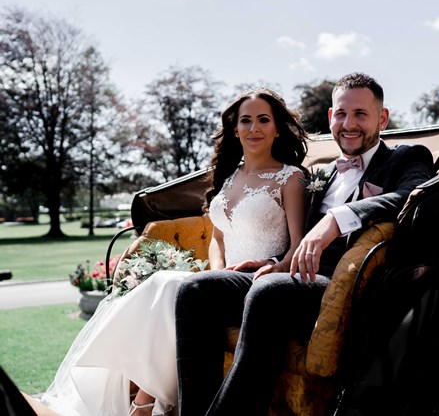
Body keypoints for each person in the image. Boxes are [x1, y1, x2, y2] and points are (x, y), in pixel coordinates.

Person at [35, 88, 309, 416]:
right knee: (165, 287)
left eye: (263, 120)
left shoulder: (290, 178)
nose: (254, 128)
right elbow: (217, 240)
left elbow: (298, 245)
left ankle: (144, 403)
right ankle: (139, 399)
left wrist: (271, 265)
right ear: (235, 129)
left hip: (258, 284)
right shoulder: (229, 178)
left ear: (278, 128)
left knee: (165, 284)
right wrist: (217, 270)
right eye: (245, 120)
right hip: (218, 282)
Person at [175, 72, 436, 415]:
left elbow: (412, 196)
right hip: (294, 276)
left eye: (361, 114)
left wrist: (337, 219)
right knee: (196, 290)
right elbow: (294, 237)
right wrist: (275, 260)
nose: (349, 123)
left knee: (270, 292)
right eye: (341, 114)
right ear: (330, 118)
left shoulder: (406, 159)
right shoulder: (324, 173)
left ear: (382, 118)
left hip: (349, 287)